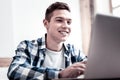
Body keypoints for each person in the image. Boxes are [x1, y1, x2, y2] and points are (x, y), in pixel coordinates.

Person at [7, 2, 87, 80]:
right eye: (59, 20)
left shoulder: (75, 52)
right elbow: (14, 70)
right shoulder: (28, 46)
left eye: (69, 22)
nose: (66, 26)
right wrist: (59, 74)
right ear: (46, 23)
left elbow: (92, 68)